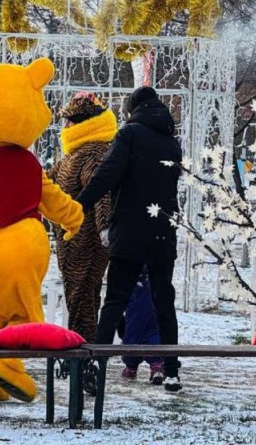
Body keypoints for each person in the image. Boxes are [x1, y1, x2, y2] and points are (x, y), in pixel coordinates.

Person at [76, 85, 184, 392]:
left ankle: (94, 369)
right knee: (164, 302)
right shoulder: (170, 141)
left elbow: (108, 174)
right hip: (163, 230)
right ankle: (172, 370)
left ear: (132, 108)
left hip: (131, 230)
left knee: (114, 302)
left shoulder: (129, 134)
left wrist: (79, 204)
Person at [47, 93, 115, 342]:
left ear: (83, 123)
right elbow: (46, 180)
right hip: (70, 236)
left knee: (83, 294)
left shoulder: (94, 153)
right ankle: (79, 346)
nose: (65, 127)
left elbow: (101, 193)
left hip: (84, 238)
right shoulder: (75, 153)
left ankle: (81, 351)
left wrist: (103, 227)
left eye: (70, 122)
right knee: (76, 292)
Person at [119, 268, 164, 384]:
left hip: (136, 285)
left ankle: (131, 365)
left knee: (133, 330)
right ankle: (156, 364)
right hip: (153, 288)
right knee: (153, 329)